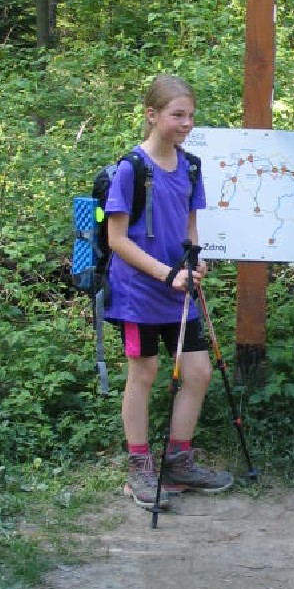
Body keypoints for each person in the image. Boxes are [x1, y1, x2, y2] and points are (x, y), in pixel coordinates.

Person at [104, 73, 232, 510]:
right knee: (143, 374)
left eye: (191, 115)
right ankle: (139, 468)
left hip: (179, 292)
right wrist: (166, 274)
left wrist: (194, 260)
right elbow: (117, 240)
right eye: (178, 115)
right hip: (138, 294)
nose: (186, 123)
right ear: (152, 115)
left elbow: (189, 227)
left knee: (198, 373)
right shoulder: (132, 168)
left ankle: (177, 461)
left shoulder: (191, 167)